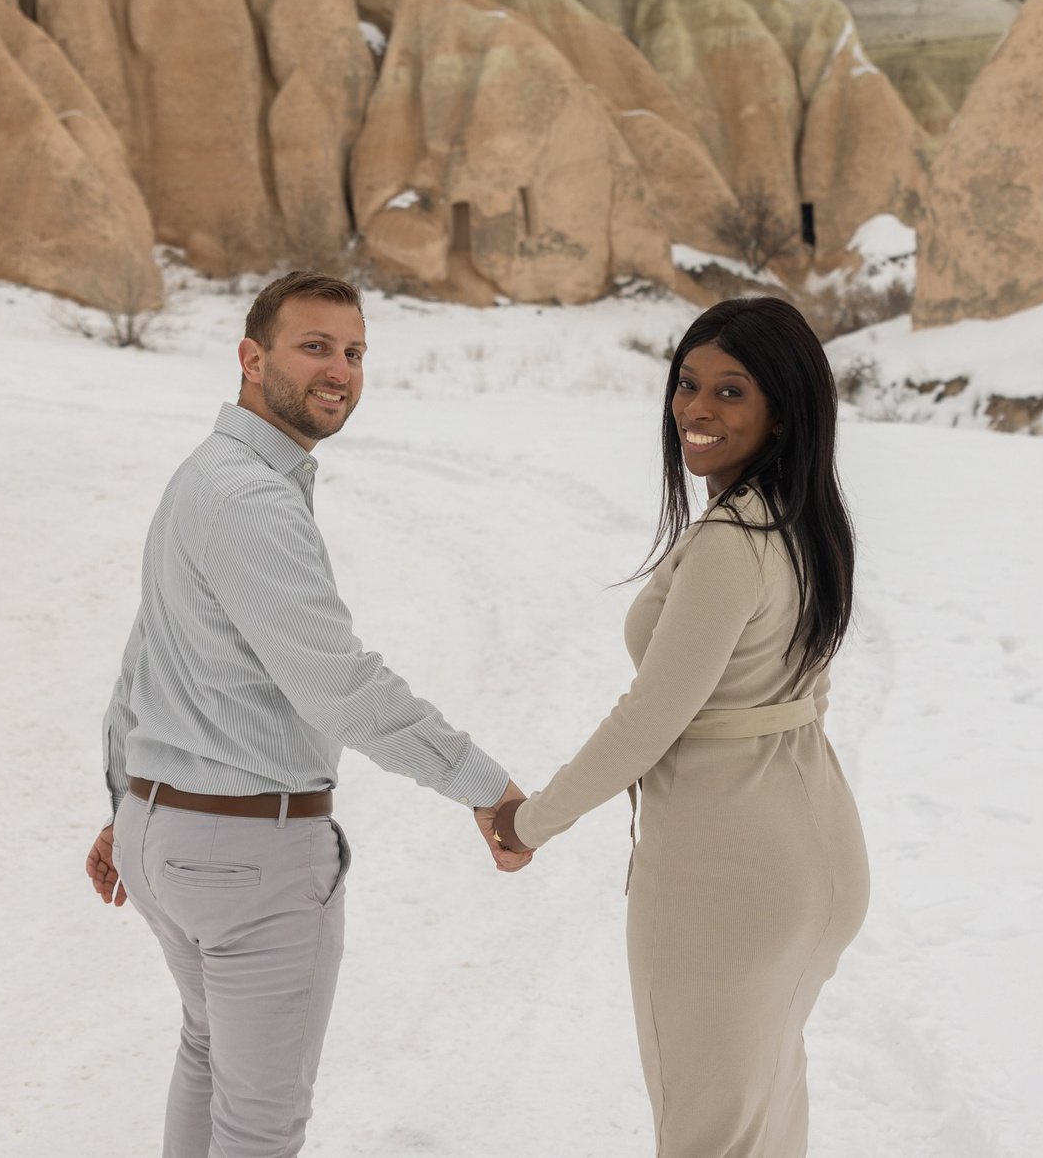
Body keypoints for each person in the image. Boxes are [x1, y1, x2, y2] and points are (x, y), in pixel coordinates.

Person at [83, 271, 523, 1158]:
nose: (340, 370)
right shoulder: (249, 498)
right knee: (259, 1123)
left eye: (354, 351)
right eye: (315, 346)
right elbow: (340, 685)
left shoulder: (206, 475)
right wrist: (485, 785)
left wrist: (129, 803)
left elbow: (145, 652)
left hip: (171, 836)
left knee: (207, 1057)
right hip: (246, 853)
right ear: (252, 359)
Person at [487, 296, 871, 1158]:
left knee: (707, 1136)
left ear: (782, 410)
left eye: (732, 390)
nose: (697, 408)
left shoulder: (732, 541)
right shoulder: (805, 521)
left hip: (728, 877)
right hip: (821, 855)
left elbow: (648, 720)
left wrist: (528, 822)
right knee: (767, 1118)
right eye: (688, 383)